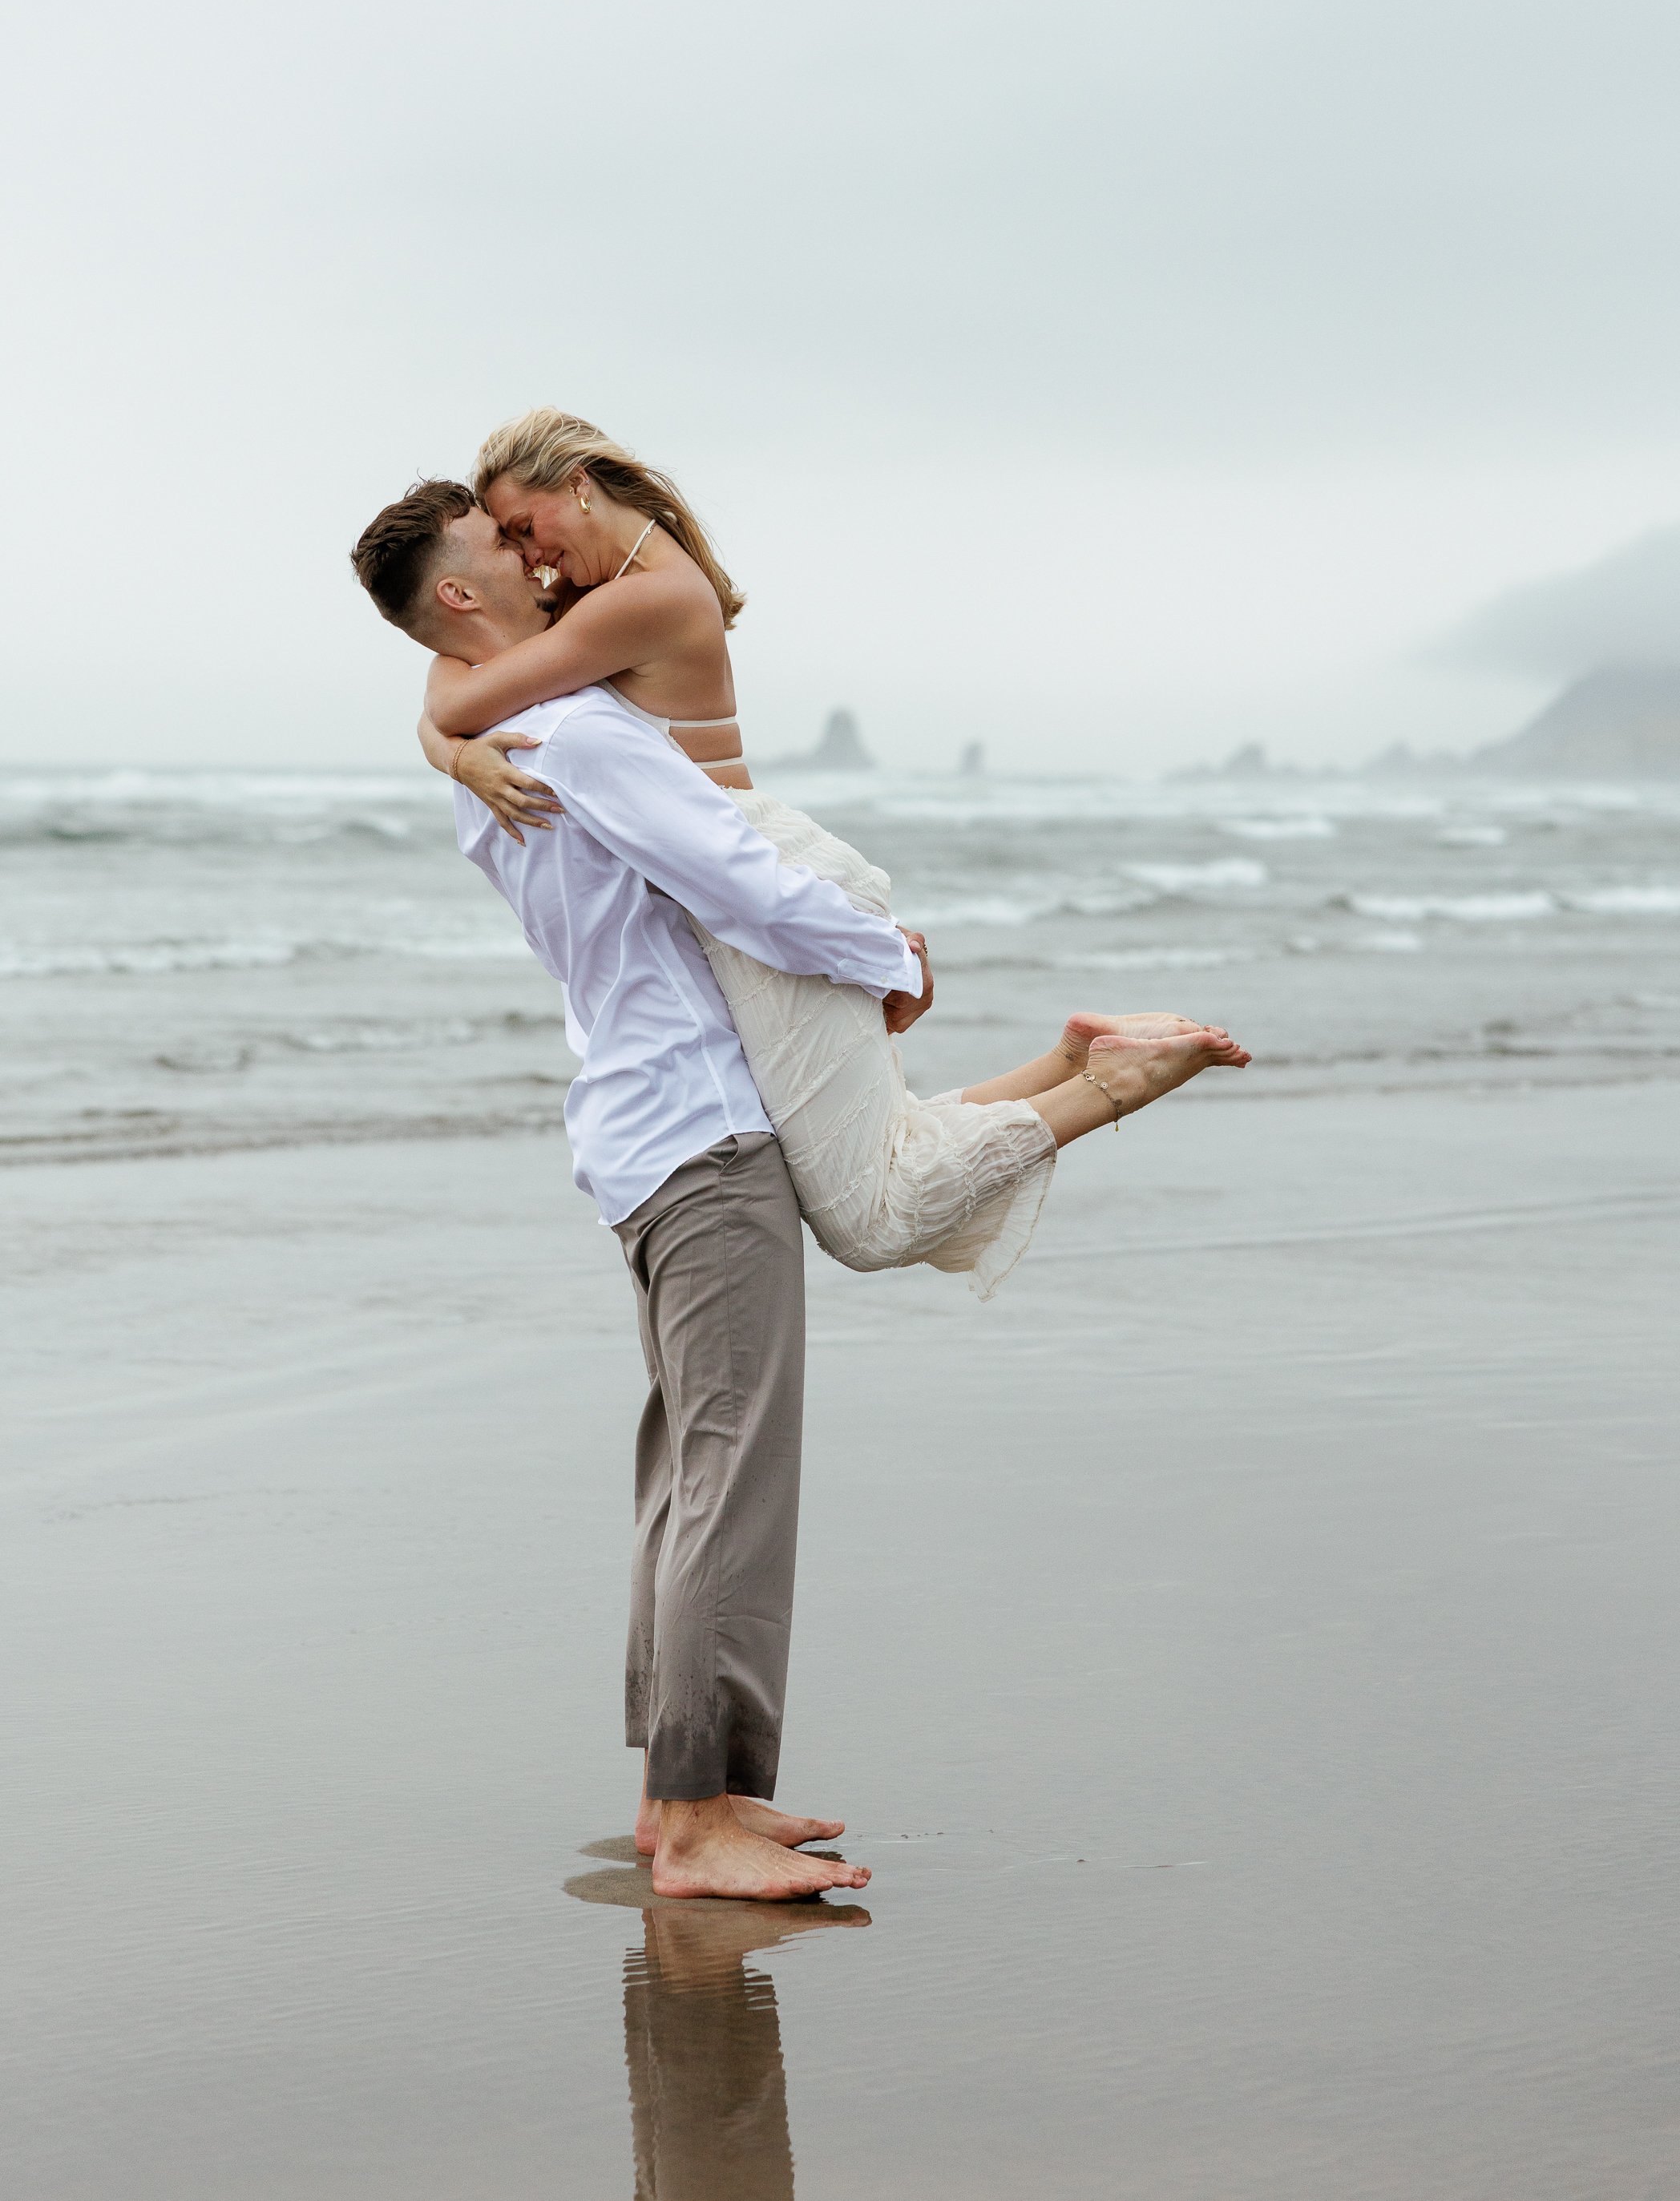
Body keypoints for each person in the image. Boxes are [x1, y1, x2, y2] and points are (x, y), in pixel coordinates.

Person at [349, 473, 1248, 1903]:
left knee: (686, 1470)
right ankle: (702, 1813)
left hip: (641, 1132)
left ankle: (678, 1795)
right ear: (460, 597)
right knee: (732, 1473)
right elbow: (733, 873)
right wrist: (891, 955)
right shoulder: (574, 731)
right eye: (501, 549)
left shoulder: (502, 732)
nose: (530, 559)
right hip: (702, 1132)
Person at [417, 409, 1250, 1299]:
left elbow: (453, 696)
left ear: (578, 486)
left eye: (524, 528)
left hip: (753, 867)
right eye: (504, 540)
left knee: (869, 1217)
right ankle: (1070, 1059)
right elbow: (446, 679)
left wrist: (455, 748)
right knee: (880, 1147)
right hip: (749, 865)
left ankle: (1113, 1084)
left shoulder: (641, 597)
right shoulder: (610, 589)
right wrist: (458, 753)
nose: (529, 557)